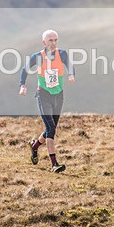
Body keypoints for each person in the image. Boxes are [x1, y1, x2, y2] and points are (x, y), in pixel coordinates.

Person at [18, 29, 75, 173]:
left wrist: (71, 74)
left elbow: (70, 65)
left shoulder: (62, 54)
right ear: (44, 42)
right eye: (50, 40)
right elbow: (25, 69)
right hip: (43, 95)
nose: (54, 43)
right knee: (51, 129)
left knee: (52, 128)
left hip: (58, 96)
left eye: (56, 40)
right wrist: (22, 85)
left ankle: (35, 146)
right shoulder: (37, 57)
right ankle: (54, 164)